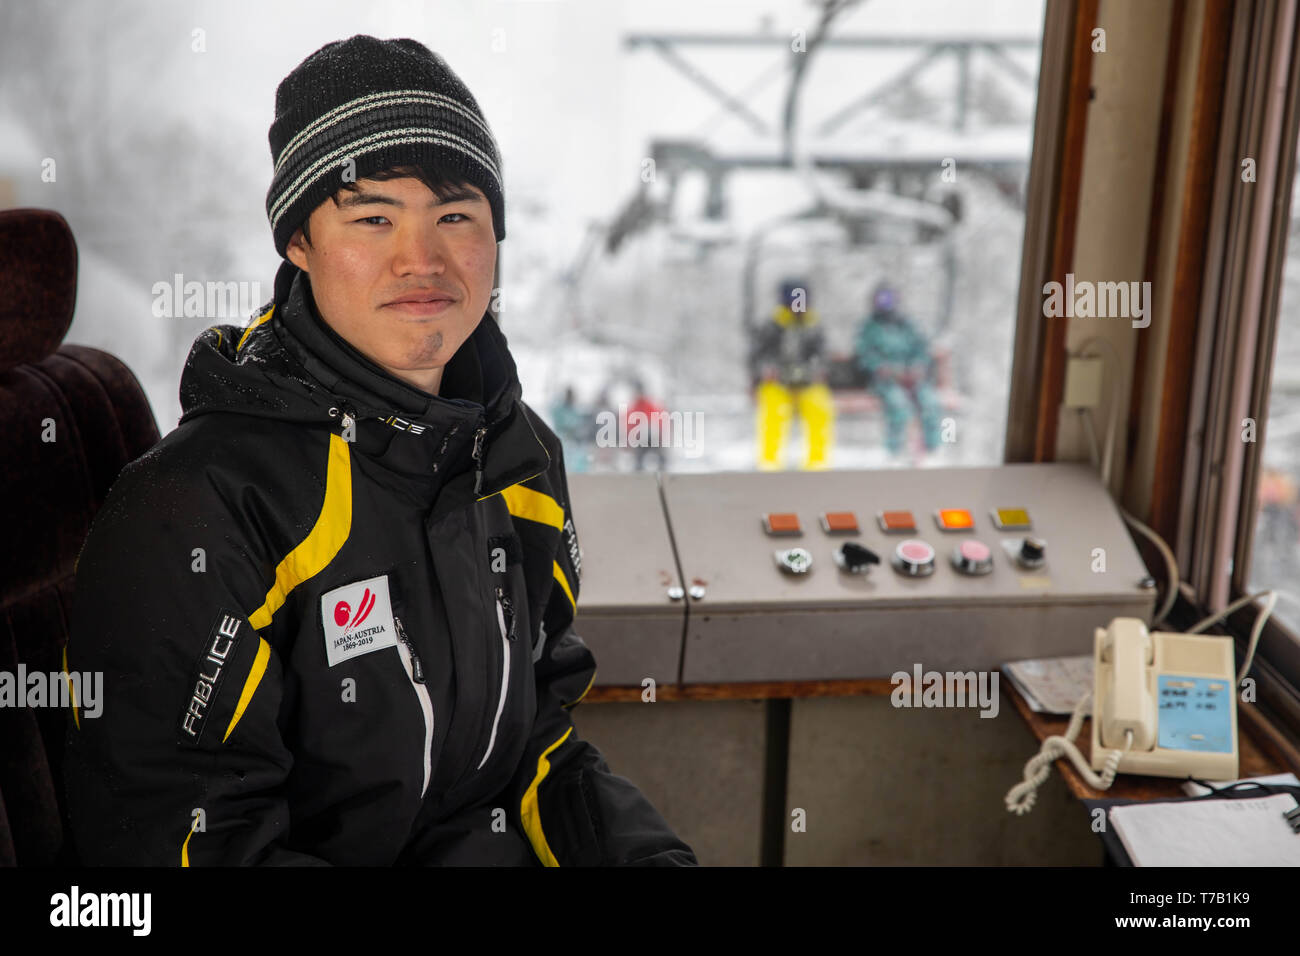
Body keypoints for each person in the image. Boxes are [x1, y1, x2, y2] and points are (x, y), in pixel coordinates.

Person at [62, 34, 697, 868]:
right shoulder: (201, 507)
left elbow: (537, 740)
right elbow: (181, 840)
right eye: (373, 218)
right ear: (299, 242)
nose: (422, 259)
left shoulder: (519, 462)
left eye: (456, 216)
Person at [749, 278, 834, 470]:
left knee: (819, 407)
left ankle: (817, 463)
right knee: (773, 411)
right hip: (778, 385)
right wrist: (768, 370)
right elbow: (758, 356)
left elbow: (822, 355)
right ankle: (770, 463)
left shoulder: (814, 327)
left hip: (808, 384)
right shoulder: (772, 326)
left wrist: (815, 370)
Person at [854, 283, 942, 460]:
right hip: (885, 382)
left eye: (889, 300)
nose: (885, 304)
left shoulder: (908, 325)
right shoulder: (869, 327)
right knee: (899, 406)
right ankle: (894, 453)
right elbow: (864, 355)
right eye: (881, 300)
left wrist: (917, 367)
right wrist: (881, 368)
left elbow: (921, 350)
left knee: (931, 402)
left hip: (913, 379)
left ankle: (933, 451)